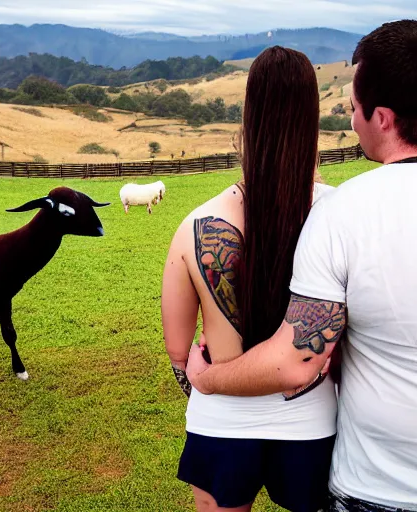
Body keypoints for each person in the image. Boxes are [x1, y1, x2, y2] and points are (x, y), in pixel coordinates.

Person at [187, 20, 417, 512]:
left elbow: (299, 358)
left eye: (353, 109)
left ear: (382, 117)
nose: (350, 121)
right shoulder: (336, 204)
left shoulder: (345, 212)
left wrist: (207, 379)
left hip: (380, 488)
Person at [162, 46, 336, 512]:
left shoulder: (195, 227)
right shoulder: (340, 216)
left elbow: (180, 353)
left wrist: (205, 382)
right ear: (313, 118)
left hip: (220, 427)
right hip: (310, 426)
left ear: (247, 116)